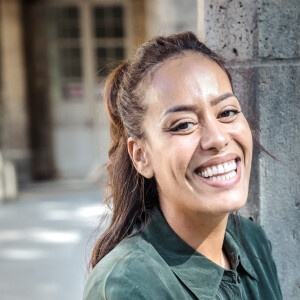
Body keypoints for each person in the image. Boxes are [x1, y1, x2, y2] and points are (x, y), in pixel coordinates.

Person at [83, 31, 282, 299]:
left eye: (227, 112)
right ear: (141, 156)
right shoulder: (127, 285)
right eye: (184, 124)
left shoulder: (253, 242)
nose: (218, 138)